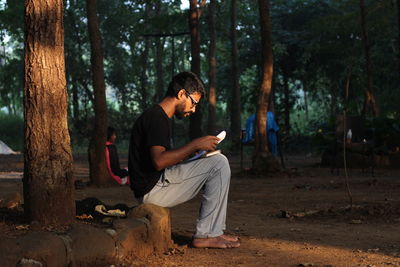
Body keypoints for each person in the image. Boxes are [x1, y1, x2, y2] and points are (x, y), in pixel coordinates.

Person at [128, 71, 240, 249]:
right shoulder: (156, 118)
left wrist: (194, 156)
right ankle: (208, 234)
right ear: (181, 94)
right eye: (193, 103)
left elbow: (161, 160)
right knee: (219, 164)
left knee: (215, 161)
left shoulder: (158, 116)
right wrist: (195, 145)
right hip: (152, 191)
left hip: (155, 185)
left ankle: (213, 231)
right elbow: (158, 161)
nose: (193, 109)